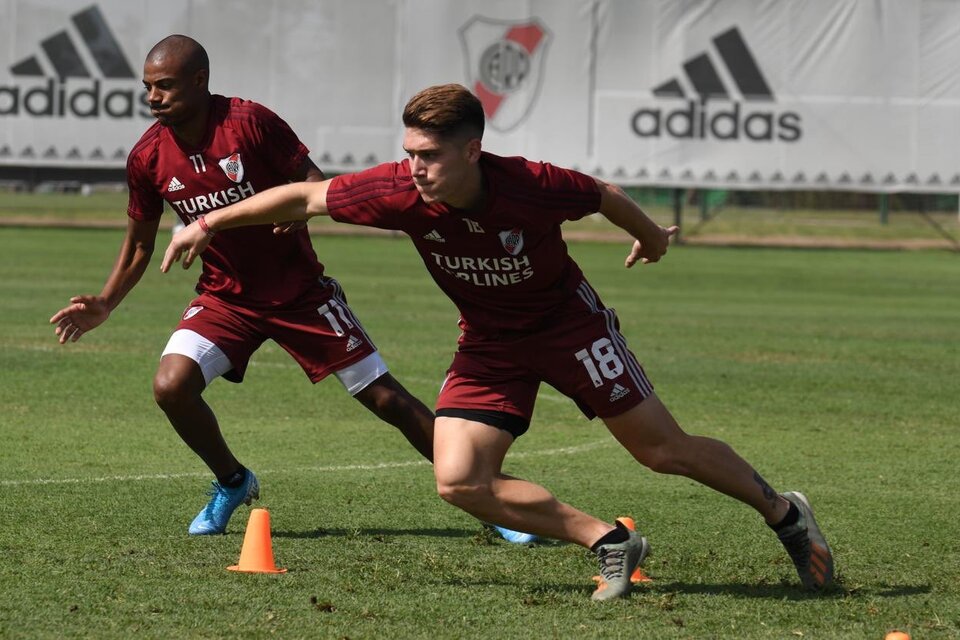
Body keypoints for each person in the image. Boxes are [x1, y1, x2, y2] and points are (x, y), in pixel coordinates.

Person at [161, 83, 834, 599]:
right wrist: (208, 224)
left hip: (568, 328)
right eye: (408, 154)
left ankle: (783, 513)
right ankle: (608, 542)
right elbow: (304, 198)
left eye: (428, 155)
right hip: (489, 344)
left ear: (472, 150)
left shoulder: (532, 185)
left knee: (663, 451)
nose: (414, 168)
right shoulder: (397, 193)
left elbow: (600, 194)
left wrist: (651, 235)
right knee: (457, 482)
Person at [49, 40, 534, 544]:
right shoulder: (148, 155)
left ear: (199, 81)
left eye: (164, 85)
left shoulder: (248, 123)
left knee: (388, 400)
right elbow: (139, 245)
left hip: (301, 295)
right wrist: (105, 302)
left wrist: (297, 211)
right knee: (171, 386)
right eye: (147, 87)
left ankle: (489, 499)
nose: (153, 97)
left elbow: (311, 181)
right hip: (225, 298)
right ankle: (233, 482)